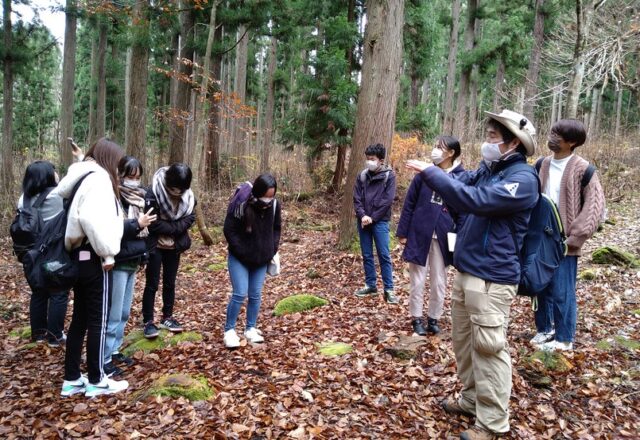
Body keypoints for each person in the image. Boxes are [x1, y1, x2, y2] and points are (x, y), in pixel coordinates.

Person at [407, 109, 539, 440]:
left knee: (489, 349)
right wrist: (435, 173)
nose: (487, 143)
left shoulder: (522, 179)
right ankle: (470, 399)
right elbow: (457, 186)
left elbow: (474, 200)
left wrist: (430, 173)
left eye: (493, 138)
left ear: (512, 143)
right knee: (464, 344)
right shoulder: (487, 170)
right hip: (467, 272)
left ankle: (493, 423)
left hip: (493, 278)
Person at [55, 137, 129, 398]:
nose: (119, 170)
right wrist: (107, 253)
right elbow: (90, 218)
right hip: (95, 257)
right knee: (98, 319)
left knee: (81, 320)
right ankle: (97, 378)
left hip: (79, 256)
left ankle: (72, 378)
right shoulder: (99, 180)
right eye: (118, 164)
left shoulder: (84, 175)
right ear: (109, 160)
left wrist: (79, 158)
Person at [531, 119, 605, 351]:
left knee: (563, 289)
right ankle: (545, 329)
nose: (551, 137)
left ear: (572, 142)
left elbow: (595, 207)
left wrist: (574, 238)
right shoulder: (541, 164)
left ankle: (564, 338)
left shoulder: (584, 169)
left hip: (564, 240)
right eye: (552, 132)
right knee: (539, 285)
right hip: (540, 237)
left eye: (558, 135)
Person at [397, 136, 464, 335]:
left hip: (444, 236)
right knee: (417, 279)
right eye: (434, 146)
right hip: (419, 232)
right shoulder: (422, 175)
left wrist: (461, 235)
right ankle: (416, 318)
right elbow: (409, 203)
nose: (434, 150)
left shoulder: (461, 177)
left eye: (439, 148)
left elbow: (464, 209)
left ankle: (434, 318)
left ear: (451, 153)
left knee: (439, 280)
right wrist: (403, 232)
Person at [103, 156, 157, 377]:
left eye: (137, 177)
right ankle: (103, 357)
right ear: (120, 175)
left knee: (124, 312)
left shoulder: (141, 198)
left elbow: (144, 234)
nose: (134, 181)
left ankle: (115, 350)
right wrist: (137, 224)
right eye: (129, 176)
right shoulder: (113, 197)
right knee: (113, 313)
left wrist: (143, 255)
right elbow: (111, 229)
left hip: (133, 260)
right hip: (117, 261)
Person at [222, 174, 282, 348]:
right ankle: (229, 330)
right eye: (266, 196)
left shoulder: (275, 206)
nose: (268, 200)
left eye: (272, 196)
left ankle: (250, 328)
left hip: (261, 258)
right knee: (240, 293)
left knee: (255, 295)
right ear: (258, 192)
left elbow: (276, 228)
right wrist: (241, 250)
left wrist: (272, 248)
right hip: (239, 257)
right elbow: (229, 230)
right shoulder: (241, 204)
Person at [142, 163, 196, 339]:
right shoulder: (154, 192)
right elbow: (152, 222)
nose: (177, 193)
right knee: (152, 283)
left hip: (175, 246)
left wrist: (173, 228)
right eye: (174, 189)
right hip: (155, 245)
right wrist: (175, 227)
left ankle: (167, 316)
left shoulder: (188, 197)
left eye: (181, 190)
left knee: (170, 283)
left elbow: (190, 217)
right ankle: (148, 321)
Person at [17, 161, 67, 347]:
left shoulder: (23, 199)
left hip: (30, 253)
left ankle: (38, 334)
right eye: (53, 171)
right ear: (47, 175)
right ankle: (55, 336)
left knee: (38, 292)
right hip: (53, 251)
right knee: (58, 292)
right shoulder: (56, 196)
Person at [353, 143, 398, 304]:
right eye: (367, 159)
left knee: (384, 255)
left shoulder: (389, 176)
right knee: (366, 254)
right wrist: (363, 215)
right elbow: (356, 198)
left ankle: (389, 289)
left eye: (372, 159)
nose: (369, 162)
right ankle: (370, 285)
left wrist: (373, 217)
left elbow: (388, 200)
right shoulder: (362, 176)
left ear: (380, 160)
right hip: (363, 221)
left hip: (380, 222)